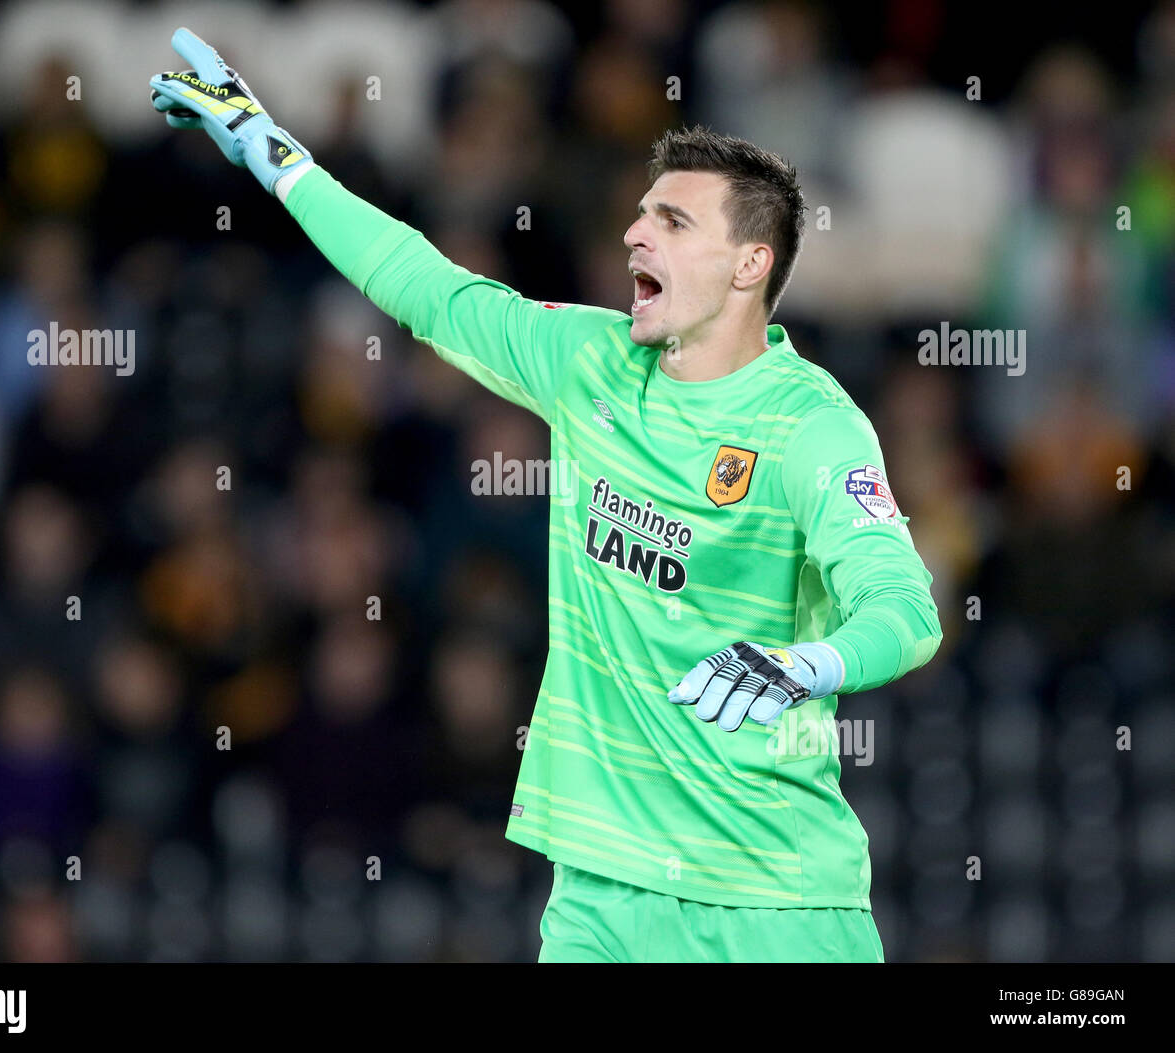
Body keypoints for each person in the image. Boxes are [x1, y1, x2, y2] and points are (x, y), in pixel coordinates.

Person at [149, 27, 943, 963]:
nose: (635, 232)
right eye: (641, 214)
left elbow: (905, 606)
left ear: (749, 265)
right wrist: (280, 159)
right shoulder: (592, 363)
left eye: (673, 222)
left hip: (770, 900)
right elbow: (427, 289)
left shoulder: (810, 426)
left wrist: (811, 666)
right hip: (599, 892)